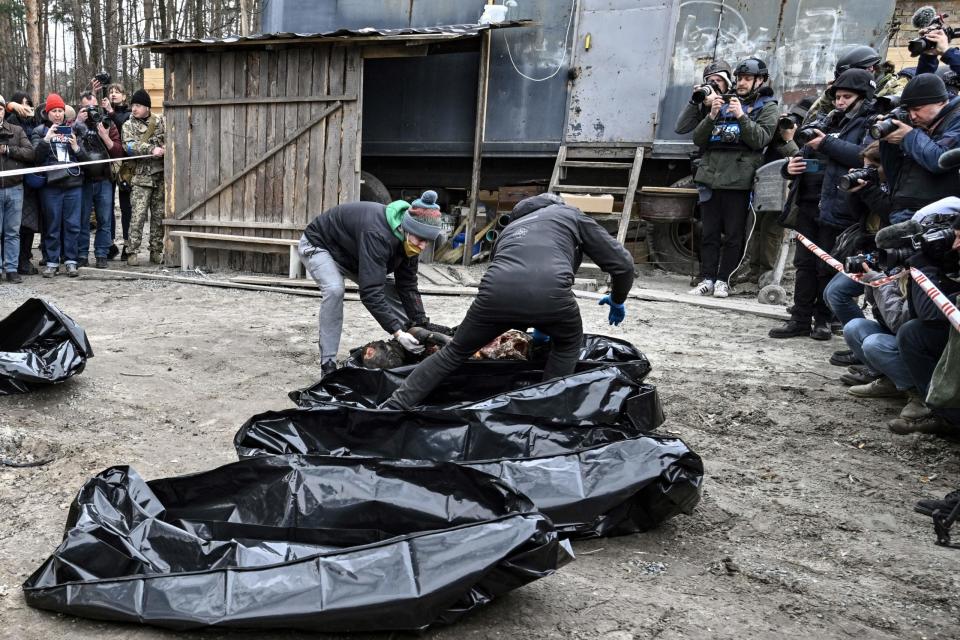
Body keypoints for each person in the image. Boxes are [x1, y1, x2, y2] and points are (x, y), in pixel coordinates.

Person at [380, 192, 634, 410]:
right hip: (552, 298)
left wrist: (540, 329)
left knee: (454, 352)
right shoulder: (571, 216)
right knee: (567, 344)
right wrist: (618, 298)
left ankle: (392, 406)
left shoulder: (510, 230)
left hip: (495, 295)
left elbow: (518, 280)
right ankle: (544, 413)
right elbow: (622, 264)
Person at [769, 69, 879, 340]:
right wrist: (790, 168)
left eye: (846, 96)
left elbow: (864, 157)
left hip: (840, 206)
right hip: (808, 202)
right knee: (804, 265)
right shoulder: (828, 119)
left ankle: (824, 320)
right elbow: (803, 152)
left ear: (862, 97)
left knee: (827, 267)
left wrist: (827, 143)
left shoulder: (871, 123)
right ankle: (800, 318)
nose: (840, 101)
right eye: (838, 96)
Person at [298, 190, 444, 376]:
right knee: (335, 290)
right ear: (407, 228)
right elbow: (370, 293)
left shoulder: (410, 240)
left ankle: (413, 336)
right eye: (421, 239)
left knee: (391, 290)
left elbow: (407, 285)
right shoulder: (378, 234)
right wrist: (396, 332)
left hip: (353, 254)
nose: (423, 246)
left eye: (428, 242)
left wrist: (421, 322)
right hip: (319, 245)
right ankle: (328, 364)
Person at [688, 57, 778, 298]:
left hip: (739, 181)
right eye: (739, 78)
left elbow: (760, 139)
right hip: (710, 177)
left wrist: (741, 116)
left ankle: (723, 280)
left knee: (733, 235)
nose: (741, 83)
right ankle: (707, 278)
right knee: (708, 232)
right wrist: (711, 115)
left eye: (747, 79)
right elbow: (699, 139)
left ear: (759, 81)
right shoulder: (723, 102)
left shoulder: (768, 106)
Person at [878, 73, 960, 225]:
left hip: (935, 215)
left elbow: (941, 160)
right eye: (909, 111)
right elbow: (893, 171)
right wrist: (888, 140)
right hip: (903, 207)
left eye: (917, 109)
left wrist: (908, 136)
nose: (913, 116)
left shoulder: (956, 119)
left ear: (940, 102)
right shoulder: (922, 123)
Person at [31, 93, 87, 278]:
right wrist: (47, 139)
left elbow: (85, 159)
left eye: (60, 111)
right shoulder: (39, 131)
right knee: (52, 225)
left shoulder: (74, 130)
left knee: (73, 225)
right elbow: (35, 158)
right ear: (47, 113)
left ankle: (71, 261)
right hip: (51, 185)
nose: (57, 114)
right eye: (53, 111)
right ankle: (52, 262)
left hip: (73, 184)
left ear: (64, 113)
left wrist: (76, 147)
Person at [75, 91, 125, 269]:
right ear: (80, 108)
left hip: (104, 179)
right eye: (86, 107)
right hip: (83, 179)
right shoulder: (76, 124)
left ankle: (102, 254)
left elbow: (118, 151)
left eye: (93, 107)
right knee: (82, 219)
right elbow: (69, 146)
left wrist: (104, 135)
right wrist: (77, 123)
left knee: (104, 218)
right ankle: (81, 254)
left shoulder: (106, 122)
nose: (90, 111)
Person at [121, 89, 165, 266]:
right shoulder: (128, 125)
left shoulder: (161, 121)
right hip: (141, 177)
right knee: (137, 217)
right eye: (133, 105)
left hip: (161, 176)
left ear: (147, 106)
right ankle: (132, 251)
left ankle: (156, 251)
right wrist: (150, 149)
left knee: (159, 216)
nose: (134, 109)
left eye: (138, 105)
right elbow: (129, 146)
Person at [4, 92, 43, 275]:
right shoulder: (11, 121)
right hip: (12, 179)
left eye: (28, 103)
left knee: (27, 224)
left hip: (30, 181)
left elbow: (32, 151)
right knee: (9, 226)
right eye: (22, 103)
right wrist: (11, 106)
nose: (25, 106)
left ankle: (23, 259)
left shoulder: (34, 123)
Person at [0, 98, 35, 283]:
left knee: (12, 231)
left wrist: (8, 150)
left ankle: (11, 269)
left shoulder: (16, 130)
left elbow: (30, 153)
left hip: (15, 188)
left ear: (4, 111)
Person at [102, 83, 132, 258]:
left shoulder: (129, 114)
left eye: (117, 92)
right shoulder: (104, 112)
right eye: (111, 92)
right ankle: (109, 243)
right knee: (107, 206)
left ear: (124, 96)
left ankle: (127, 245)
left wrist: (111, 113)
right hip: (107, 164)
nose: (113, 95)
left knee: (125, 205)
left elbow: (123, 127)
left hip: (125, 165)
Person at [674, 60, 733, 135]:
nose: (715, 84)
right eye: (711, 81)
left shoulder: (735, 99)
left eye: (719, 80)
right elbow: (680, 129)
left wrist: (717, 104)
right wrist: (694, 101)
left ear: (727, 83)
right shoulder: (703, 105)